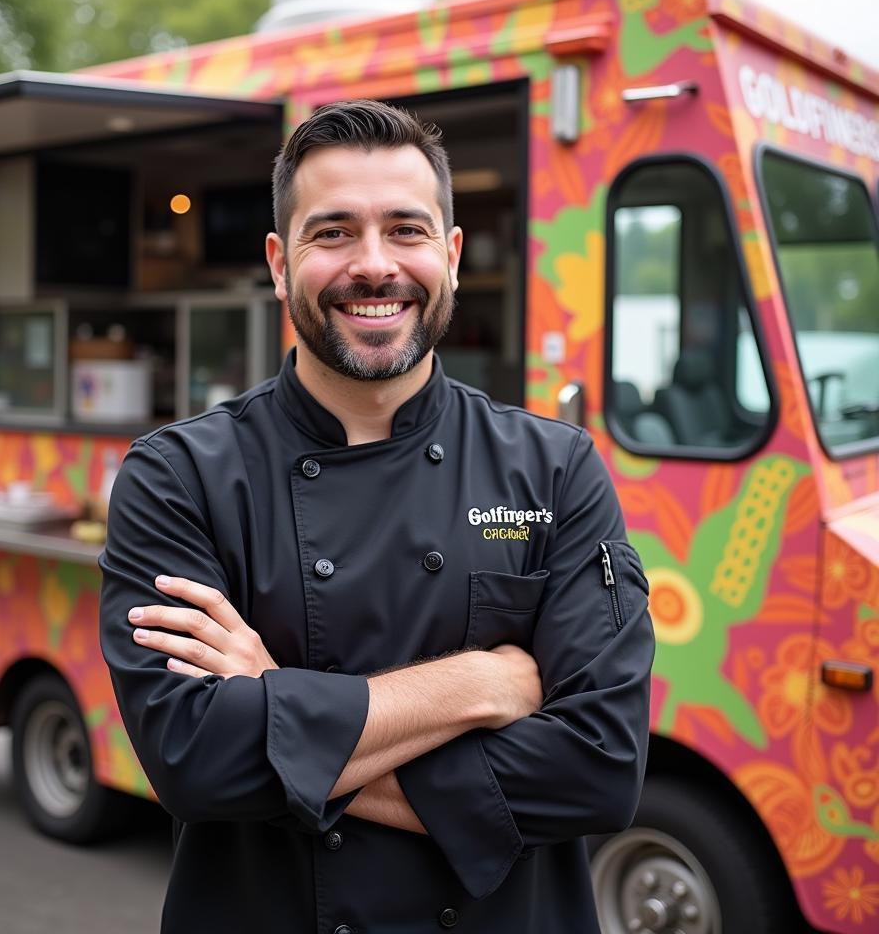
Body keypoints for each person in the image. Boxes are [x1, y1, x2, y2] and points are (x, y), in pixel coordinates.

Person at [99, 100, 655, 933]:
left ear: (452, 255)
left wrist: (277, 709)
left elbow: (598, 770)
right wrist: (483, 683)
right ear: (281, 264)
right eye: (333, 234)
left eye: (405, 229)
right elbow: (197, 762)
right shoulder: (179, 476)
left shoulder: (555, 468)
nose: (373, 265)